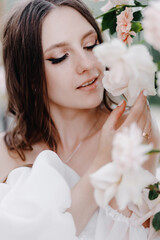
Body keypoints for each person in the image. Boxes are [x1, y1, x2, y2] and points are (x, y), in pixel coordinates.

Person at [0, 0, 159, 239]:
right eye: (60, 57)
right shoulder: (6, 154)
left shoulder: (133, 131)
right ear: (30, 77)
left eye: (90, 45)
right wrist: (102, 163)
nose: (87, 64)